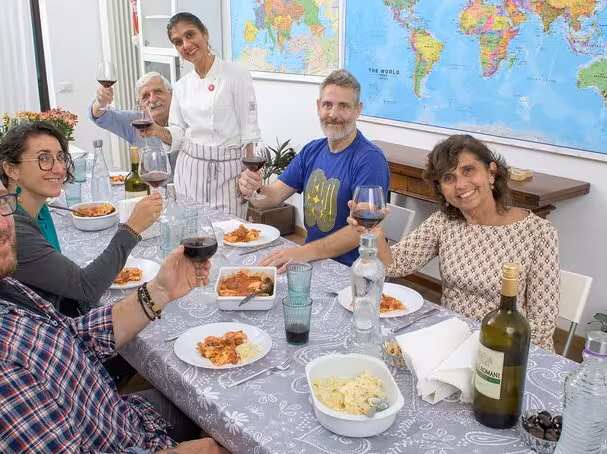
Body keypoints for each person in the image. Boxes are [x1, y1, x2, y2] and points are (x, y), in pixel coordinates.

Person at [0, 148, 246, 454]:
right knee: (250, 451)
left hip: (119, 419)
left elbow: (71, 338)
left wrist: (159, 291)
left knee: (227, 407)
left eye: (0, 203)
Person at [348, 134, 560, 351]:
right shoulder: (444, 222)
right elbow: (396, 264)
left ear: (491, 173)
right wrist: (374, 231)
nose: (460, 185)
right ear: (441, 189)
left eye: (469, 170)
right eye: (448, 178)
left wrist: (485, 352)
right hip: (451, 343)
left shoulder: (538, 232)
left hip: (506, 351)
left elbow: (542, 325)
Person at [0, 121, 162, 317]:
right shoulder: (11, 226)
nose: (58, 169)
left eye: (60, 157)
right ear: (11, 169)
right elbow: (87, 287)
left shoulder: (40, 208)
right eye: (43, 159)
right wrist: (132, 228)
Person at [238, 69, 390, 270]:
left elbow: (361, 230)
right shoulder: (312, 150)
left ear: (357, 110)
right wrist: (255, 189)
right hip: (311, 260)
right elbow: (273, 195)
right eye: (328, 105)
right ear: (318, 107)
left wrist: (303, 252)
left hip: (351, 269)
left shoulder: (370, 159)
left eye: (343, 106)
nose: (333, 114)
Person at [142, 12, 261, 217]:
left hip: (228, 174)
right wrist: (157, 131)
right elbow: (178, 133)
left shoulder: (236, 74)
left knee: (229, 234)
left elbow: (248, 130)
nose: (186, 45)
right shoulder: (181, 86)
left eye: (190, 35)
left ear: (205, 34)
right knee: (190, 236)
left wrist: (248, 178)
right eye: (178, 42)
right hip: (189, 171)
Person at [89, 71, 178, 172]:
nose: (152, 99)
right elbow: (100, 117)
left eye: (158, 91)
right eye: (145, 96)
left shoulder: (185, 118)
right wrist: (100, 102)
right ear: (139, 103)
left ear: (171, 94)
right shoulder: (137, 121)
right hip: (149, 186)